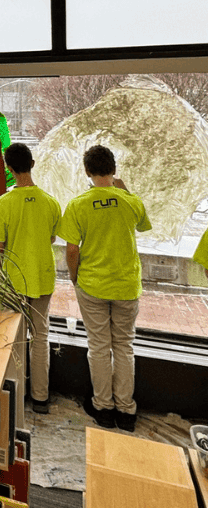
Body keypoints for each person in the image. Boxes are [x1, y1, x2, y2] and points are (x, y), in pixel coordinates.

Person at [60, 145, 151, 432]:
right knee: (124, 346)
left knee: (99, 346)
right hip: (126, 284)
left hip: (93, 284)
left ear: (87, 171)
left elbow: (72, 249)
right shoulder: (130, 201)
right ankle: (126, 410)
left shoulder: (79, 204)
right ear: (113, 169)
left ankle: (103, 408)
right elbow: (142, 225)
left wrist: (74, 277)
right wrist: (124, 191)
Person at [0, 143, 62, 413]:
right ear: (32, 164)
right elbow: (52, 238)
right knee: (40, 337)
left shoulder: (2, 204)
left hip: (13, 280)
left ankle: (16, 400)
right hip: (42, 276)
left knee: (14, 339)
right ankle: (41, 398)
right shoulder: (51, 202)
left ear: (9, 169)